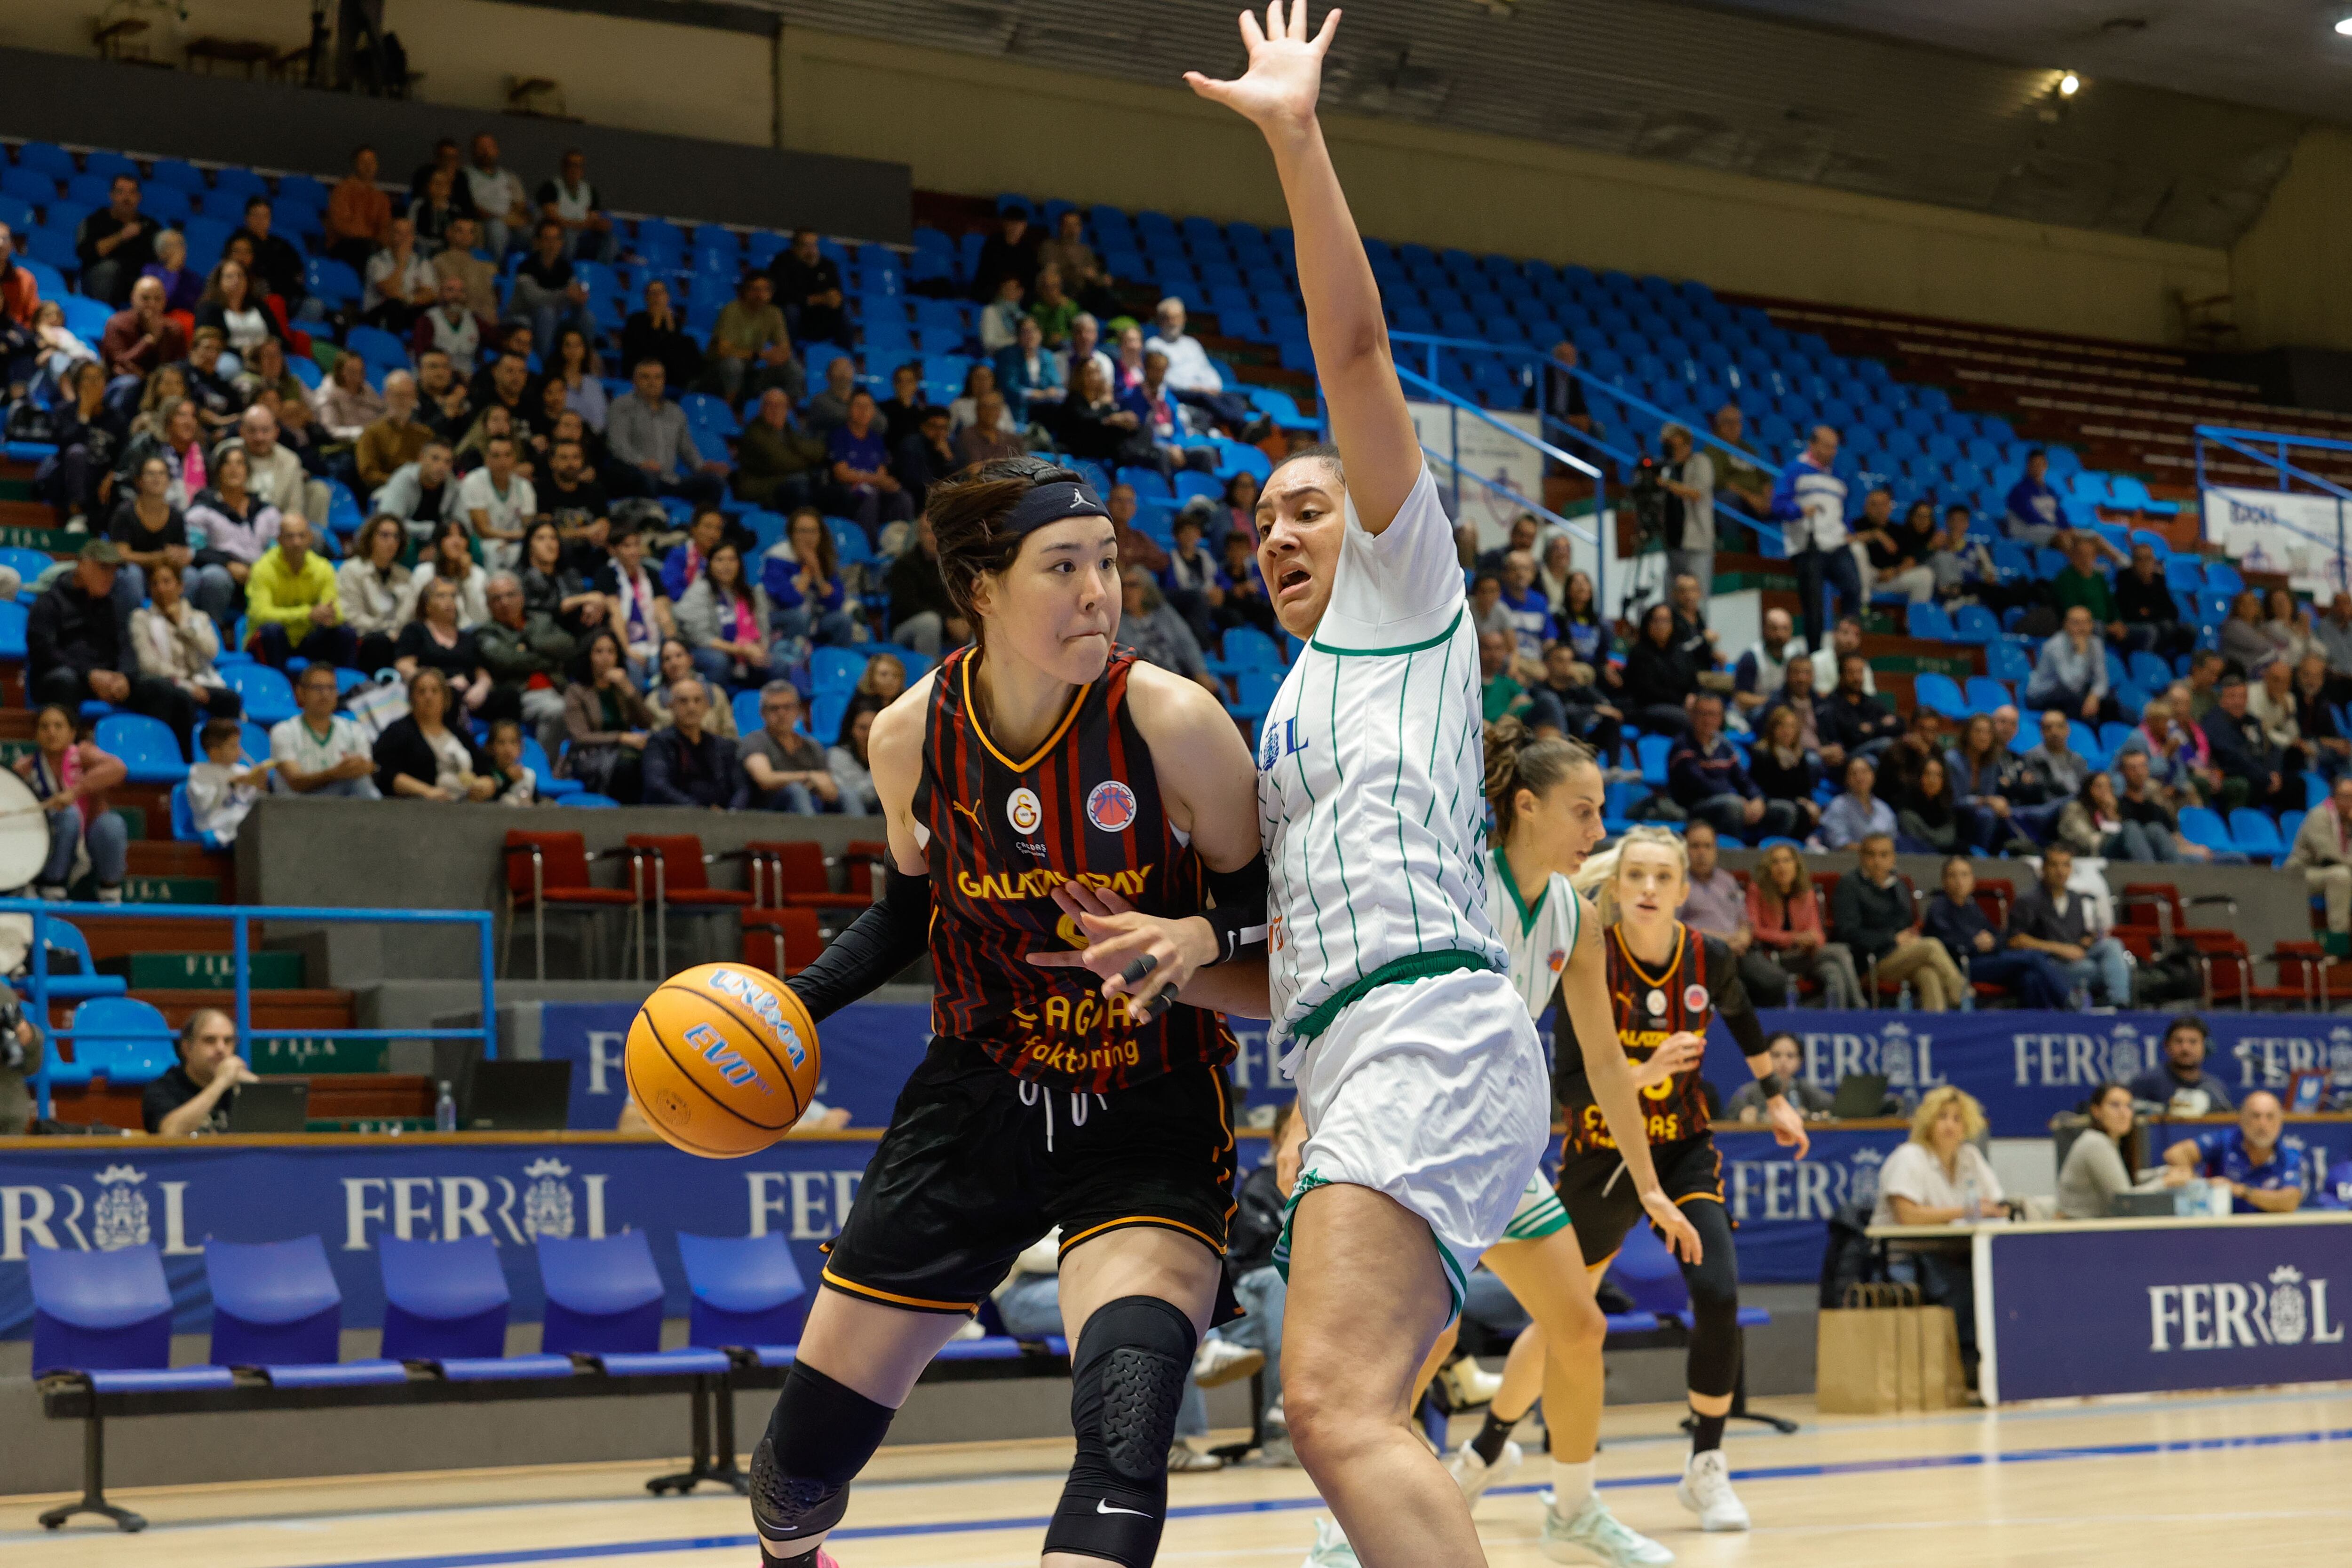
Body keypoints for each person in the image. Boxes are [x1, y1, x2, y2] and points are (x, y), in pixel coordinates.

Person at [1170, 26, 1713, 1568]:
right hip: (1350, 1048)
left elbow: (1353, 355)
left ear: (1371, 517)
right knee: (1352, 1410)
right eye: (1259, 520)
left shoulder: (1405, 597)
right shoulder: (1287, 719)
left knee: (1334, 1406)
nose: (1278, 532)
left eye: (1307, 505)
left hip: (1427, 1031)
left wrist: (1294, 140)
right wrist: (1169, 961)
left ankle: (1578, 1497)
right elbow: (1284, 961)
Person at [29, 541, 209, 760]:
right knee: (64, 681)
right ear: (83, 565)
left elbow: (127, 648)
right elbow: (44, 652)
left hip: (109, 680)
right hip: (68, 678)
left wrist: (124, 677)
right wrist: (89, 675)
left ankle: (165, 761)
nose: (110, 576)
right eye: (103, 568)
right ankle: (71, 763)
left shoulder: (115, 605)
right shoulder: (50, 603)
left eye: (114, 571)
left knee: (165, 691)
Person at [1871, 1086, 2007, 1377]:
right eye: (1943, 1117)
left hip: (1955, 1250)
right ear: (1928, 1123)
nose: (1950, 1125)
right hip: (1904, 1256)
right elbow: (1907, 1217)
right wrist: (1966, 1211)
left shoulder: (1970, 1156)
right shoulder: (1910, 1157)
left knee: (2000, 1275)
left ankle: (1985, 1367)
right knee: (1961, 1285)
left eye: (1958, 1119)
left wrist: (1995, 1209)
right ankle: (1963, 1365)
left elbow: (1997, 1205)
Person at [1831, 832, 1963, 1008]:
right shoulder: (1849, 885)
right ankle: (1963, 996)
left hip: (1900, 956)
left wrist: (1908, 937)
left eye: (1884, 855)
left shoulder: (1898, 886)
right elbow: (1848, 933)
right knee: (1931, 946)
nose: (1877, 861)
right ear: (1861, 857)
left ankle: (1936, 1029)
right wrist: (1892, 939)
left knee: (1928, 973)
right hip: (1868, 962)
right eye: (1871, 855)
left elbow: (1906, 923)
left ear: (1893, 858)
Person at [14, 704, 129, 902]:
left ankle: (110, 892)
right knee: (67, 816)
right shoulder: (25, 768)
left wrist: (75, 792)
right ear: (36, 734)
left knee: (112, 825)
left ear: (72, 733)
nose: (52, 732)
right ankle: (53, 886)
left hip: (90, 841)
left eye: (59, 726)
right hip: (46, 847)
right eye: (45, 727)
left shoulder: (84, 754)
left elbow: (118, 768)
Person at [1920, 855, 2069, 1008]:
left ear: (1973, 880)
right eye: (1953, 876)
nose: (1960, 881)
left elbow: (1999, 937)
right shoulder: (1939, 908)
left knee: (2030, 978)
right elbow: (1946, 942)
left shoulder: (1972, 907)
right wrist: (1975, 943)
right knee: (2033, 957)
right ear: (1944, 881)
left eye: (1965, 875)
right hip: (1962, 967)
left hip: (1988, 960)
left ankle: (2038, 1026)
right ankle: (2069, 1003)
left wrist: (1992, 942)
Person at [2005, 843, 2131, 1006]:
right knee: (2104, 970)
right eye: (2054, 865)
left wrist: (2088, 939)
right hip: (2050, 964)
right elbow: (2015, 941)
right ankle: (2115, 1004)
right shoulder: (2028, 901)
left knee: (2113, 945)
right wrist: (2060, 949)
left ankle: (2120, 1004)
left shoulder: (2075, 899)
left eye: (2066, 865)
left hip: (2076, 955)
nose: (2061, 871)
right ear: (2043, 869)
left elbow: (2078, 935)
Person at [1680, 819, 1789, 1004]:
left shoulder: (1727, 881)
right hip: (1702, 954)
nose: (1702, 853)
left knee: (1775, 980)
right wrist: (1723, 940)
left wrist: (1744, 936)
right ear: (1684, 849)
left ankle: (1769, 1031)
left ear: (1715, 849)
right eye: (1695, 846)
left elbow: (1744, 919)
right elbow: (1675, 927)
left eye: (1708, 846)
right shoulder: (1678, 883)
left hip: (1739, 951)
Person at [1770, 424, 1858, 648]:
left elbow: (1843, 513)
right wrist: (1799, 510)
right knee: (1814, 606)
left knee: (1853, 587)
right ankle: (1815, 653)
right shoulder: (1794, 470)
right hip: (1808, 547)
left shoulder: (1838, 478)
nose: (1831, 452)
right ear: (1813, 445)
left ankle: (1848, 640)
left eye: (1835, 448)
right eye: (1827, 446)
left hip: (1837, 545)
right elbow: (1778, 505)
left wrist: (1849, 532)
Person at [1744, 842, 1861, 1007]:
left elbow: (1818, 934)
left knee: (1834, 972)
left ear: (1796, 865)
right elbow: (1754, 931)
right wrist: (1794, 938)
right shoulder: (1757, 890)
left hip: (1806, 955)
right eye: (1775, 862)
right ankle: (1860, 1008)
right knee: (1841, 952)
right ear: (1768, 868)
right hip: (1774, 958)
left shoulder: (1806, 892)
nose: (1781, 867)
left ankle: (1837, 1021)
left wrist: (1813, 941)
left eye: (1787, 861)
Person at [1669, 692, 1797, 843]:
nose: (1708, 720)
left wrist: (1756, 799)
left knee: (1785, 810)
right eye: (1703, 714)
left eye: (1714, 715)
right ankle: (1733, 855)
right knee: (1733, 806)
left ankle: (1767, 856)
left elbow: (1743, 779)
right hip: (1695, 808)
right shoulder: (1683, 746)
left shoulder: (1724, 745)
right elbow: (1700, 785)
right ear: (1692, 716)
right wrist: (1739, 800)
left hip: (1730, 801)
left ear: (1721, 718)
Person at [127, 558, 241, 728]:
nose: (161, 589)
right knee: (182, 698)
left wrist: (181, 624)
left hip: (200, 680)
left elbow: (212, 651)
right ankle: (186, 754)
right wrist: (186, 684)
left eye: (167, 582)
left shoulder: (198, 617)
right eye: (155, 584)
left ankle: (224, 751)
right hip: (167, 683)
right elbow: (149, 665)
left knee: (231, 699)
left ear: (180, 586)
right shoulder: (141, 618)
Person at [476, 571, 576, 756]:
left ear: (522, 597)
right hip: (522, 695)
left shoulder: (541, 620)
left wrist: (531, 643)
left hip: (559, 687)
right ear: (489, 605)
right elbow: (508, 661)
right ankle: (545, 769)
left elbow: (568, 645)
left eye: (510, 595)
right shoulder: (486, 633)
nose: (505, 602)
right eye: (497, 599)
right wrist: (550, 659)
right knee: (557, 710)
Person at [2164, 1090, 2309, 1213]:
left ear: (2280, 1121)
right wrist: (2195, 1182)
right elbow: (2176, 1153)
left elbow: (2290, 1202)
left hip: (2267, 1231)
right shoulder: (2226, 1140)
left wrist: (2240, 1190)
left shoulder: (2289, 1156)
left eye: (2270, 1117)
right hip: (2221, 1228)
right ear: (2242, 1119)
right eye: (2256, 1116)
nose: (2263, 1124)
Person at [607, 359, 725, 507]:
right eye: (646, 377)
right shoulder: (622, 406)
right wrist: (641, 463)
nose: (653, 382)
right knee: (645, 479)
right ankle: (652, 522)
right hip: (635, 475)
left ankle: (702, 526)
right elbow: (618, 445)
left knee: (714, 483)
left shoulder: (675, 412)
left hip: (669, 479)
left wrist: (702, 467)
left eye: (658, 377)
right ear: (635, 381)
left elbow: (687, 448)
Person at [2057, 1082, 2181, 1219]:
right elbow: (2125, 1201)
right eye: (2115, 1105)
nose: (2124, 1113)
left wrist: (2164, 1172)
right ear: (2096, 1111)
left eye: (2128, 1106)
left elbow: (2124, 1178)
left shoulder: (2104, 1141)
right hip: (2077, 1231)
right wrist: (2166, 1182)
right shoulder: (2095, 1143)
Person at [246, 515, 351, 669]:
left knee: (344, 633)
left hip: (307, 639)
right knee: (272, 631)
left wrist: (329, 616)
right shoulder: (262, 568)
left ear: (310, 538)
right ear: (279, 539)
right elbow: (260, 614)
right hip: (274, 640)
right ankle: (274, 688)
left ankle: (347, 688)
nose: (297, 542)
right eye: (290, 537)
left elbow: (338, 612)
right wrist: (308, 613)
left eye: (302, 536)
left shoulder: (323, 568)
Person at [373, 666, 493, 801]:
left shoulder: (460, 733)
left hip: (467, 806)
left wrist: (485, 786)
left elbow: (486, 773)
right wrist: (426, 791)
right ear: (412, 697)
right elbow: (385, 773)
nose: (428, 696)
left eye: (435, 691)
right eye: (422, 691)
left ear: (445, 697)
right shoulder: (397, 731)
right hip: (419, 808)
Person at [676, 541, 785, 688]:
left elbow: (763, 631)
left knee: (778, 663)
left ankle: (769, 705)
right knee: (718, 661)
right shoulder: (700, 591)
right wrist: (741, 650)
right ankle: (715, 703)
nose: (726, 565)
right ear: (710, 564)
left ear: (739, 563)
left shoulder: (752, 593)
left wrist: (759, 651)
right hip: (710, 650)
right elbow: (701, 638)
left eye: (731, 560)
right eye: (720, 560)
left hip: (746, 652)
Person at [561, 629, 652, 802]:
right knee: (628, 767)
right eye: (599, 652)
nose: (606, 658)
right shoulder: (577, 691)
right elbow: (580, 737)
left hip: (625, 753)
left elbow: (647, 722)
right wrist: (621, 737)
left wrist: (628, 689)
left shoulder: (621, 689)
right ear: (589, 657)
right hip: (589, 756)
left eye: (611, 652)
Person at [270, 661, 381, 799]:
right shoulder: (284, 731)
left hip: (341, 805)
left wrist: (367, 767)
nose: (325, 694)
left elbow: (366, 767)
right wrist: (335, 773)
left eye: (331, 688)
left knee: (362, 781)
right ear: (300, 693)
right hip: (296, 807)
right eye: (318, 688)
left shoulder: (354, 729)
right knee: (360, 783)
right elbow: (295, 781)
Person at [144, 1010, 257, 1136]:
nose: (221, 1048)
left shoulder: (241, 1087)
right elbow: (170, 1133)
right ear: (187, 1048)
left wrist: (256, 1087)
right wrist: (221, 1082)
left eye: (228, 1041)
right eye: (210, 1040)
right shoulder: (162, 1088)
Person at [826, 389, 915, 542]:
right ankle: (869, 547)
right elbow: (841, 473)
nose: (863, 411)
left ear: (873, 411)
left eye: (867, 407)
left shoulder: (876, 439)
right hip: (848, 490)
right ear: (849, 409)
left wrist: (886, 483)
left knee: (903, 497)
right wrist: (874, 480)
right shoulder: (840, 435)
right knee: (870, 495)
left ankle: (903, 546)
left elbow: (882, 472)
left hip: (873, 487)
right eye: (858, 406)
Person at [741, 681, 841, 815]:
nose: (781, 713)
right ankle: (811, 834)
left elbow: (830, 790)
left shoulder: (812, 746)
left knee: (847, 795)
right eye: (774, 708)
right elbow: (765, 779)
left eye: (787, 707)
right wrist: (808, 777)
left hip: (813, 805)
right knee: (796, 790)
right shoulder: (754, 740)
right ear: (763, 713)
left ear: (798, 711)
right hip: (767, 811)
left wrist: (825, 787)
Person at [641, 677, 740, 809]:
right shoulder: (658, 744)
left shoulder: (724, 746)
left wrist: (733, 814)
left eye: (698, 701)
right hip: (676, 819)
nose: (692, 707)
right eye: (683, 701)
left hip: (723, 819)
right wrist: (698, 810)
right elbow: (657, 786)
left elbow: (741, 788)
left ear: (707, 706)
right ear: (671, 706)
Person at [396, 576, 491, 713]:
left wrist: (481, 688)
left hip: (469, 696)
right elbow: (404, 666)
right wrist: (441, 685)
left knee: (509, 697)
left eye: (453, 596)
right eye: (441, 596)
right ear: (427, 605)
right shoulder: (416, 630)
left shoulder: (467, 637)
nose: (449, 601)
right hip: (432, 695)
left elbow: (482, 673)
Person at [705, 273, 800, 405]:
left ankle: (788, 413)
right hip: (718, 368)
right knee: (734, 365)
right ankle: (727, 410)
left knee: (792, 366)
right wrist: (760, 355)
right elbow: (723, 351)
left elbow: (785, 347)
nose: (760, 295)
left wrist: (778, 355)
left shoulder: (774, 313)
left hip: (753, 367)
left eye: (765, 290)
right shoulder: (732, 310)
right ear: (745, 291)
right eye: (755, 289)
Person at [2202, 672, 2287, 813]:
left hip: (2260, 775)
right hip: (2235, 774)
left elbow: (2273, 748)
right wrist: (2266, 777)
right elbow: (2233, 757)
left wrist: (2275, 772)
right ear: (2223, 698)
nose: (2239, 702)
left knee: (2297, 784)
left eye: (2243, 697)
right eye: (2233, 697)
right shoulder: (2214, 722)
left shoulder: (2252, 721)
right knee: (2246, 785)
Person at [735, 388, 829, 512]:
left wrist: (796, 446)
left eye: (780, 405)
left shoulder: (789, 430)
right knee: (801, 485)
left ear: (787, 410)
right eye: (770, 405)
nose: (775, 410)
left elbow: (820, 450)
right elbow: (781, 462)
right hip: (762, 486)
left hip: (789, 482)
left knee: (833, 493)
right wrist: (808, 462)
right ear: (762, 409)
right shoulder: (755, 433)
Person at [186, 717, 274, 841]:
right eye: (234, 746)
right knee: (242, 819)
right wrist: (231, 784)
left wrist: (261, 786)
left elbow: (254, 804)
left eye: (238, 744)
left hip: (241, 817)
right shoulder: (200, 772)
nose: (240, 750)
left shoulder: (242, 770)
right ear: (214, 752)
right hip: (213, 823)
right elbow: (203, 806)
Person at [2128, 1013, 2234, 1116]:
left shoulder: (2216, 1089)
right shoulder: (2146, 1083)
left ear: (2206, 1047)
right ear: (2166, 1046)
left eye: (2193, 1042)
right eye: (2179, 1041)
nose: (2185, 1048)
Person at [77, 174, 155, 307]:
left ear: (139, 198)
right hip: (99, 281)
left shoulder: (149, 225)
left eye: (132, 193)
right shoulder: (96, 221)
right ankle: (103, 318)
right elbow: (86, 253)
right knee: (109, 269)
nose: (126, 198)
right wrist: (121, 236)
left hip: (136, 283)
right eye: (121, 192)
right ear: (111, 195)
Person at [1622, 600, 1697, 738]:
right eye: (1657, 621)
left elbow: (1693, 681)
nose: (1661, 626)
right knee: (1684, 720)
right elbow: (1647, 691)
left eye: (1666, 621)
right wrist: (1681, 701)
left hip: (1680, 705)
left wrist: (1692, 696)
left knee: (1710, 714)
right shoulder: (1639, 653)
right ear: (1648, 624)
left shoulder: (1680, 652)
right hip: (1648, 708)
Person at [2027, 605, 2112, 723]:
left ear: (2091, 625)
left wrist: (2095, 696)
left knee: (2110, 702)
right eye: (2076, 623)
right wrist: (2080, 655)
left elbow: (2102, 679)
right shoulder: (2055, 646)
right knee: (2076, 701)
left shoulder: (2095, 644)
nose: (2082, 628)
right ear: (2066, 625)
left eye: (2086, 623)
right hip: (2042, 695)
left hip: (2070, 692)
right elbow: (2072, 685)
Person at [620, 279, 701, 392]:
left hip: (670, 370)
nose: (657, 297)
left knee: (689, 342)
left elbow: (675, 350)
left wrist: (671, 327)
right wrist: (656, 324)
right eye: (652, 293)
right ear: (646, 298)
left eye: (661, 293)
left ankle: (695, 383)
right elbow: (644, 351)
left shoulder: (674, 321)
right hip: (643, 366)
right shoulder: (636, 320)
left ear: (668, 297)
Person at [1820, 651, 1900, 766]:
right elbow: (1852, 737)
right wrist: (1880, 726)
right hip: (1846, 758)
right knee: (1885, 745)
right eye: (1851, 672)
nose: (1857, 678)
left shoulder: (1871, 702)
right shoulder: (1832, 705)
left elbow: (1898, 725)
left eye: (1860, 672)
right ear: (1841, 675)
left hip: (1871, 755)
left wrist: (1870, 728)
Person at [767, 229, 845, 346]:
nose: (811, 250)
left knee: (845, 312)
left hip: (819, 317)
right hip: (793, 318)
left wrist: (834, 299)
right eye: (806, 246)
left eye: (814, 245)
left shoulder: (827, 265)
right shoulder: (782, 263)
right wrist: (812, 300)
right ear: (795, 247)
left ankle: (846, 355)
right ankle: (786, 351)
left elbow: (836, 293)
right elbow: (781, 296)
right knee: (791, 311)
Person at [1726, 1032, 1833, 1118]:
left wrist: (1809, 1116)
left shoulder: (1803, 1088)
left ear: (1800, 1061)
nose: (1783, 1061)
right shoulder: (1747, 1093)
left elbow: (1836, 1106)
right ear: (1764, 1059)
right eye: (1776, 1055)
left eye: (1790, 1056)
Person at [362, 216, 438, 332]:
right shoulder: (377, 260)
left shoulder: (421, 262)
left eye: (408, 234)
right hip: (378, 313)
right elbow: (389, 292)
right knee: (394, 305)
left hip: (408, 310)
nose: (404, 239)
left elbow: (430, 294)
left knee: (432, 309)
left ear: (413, 237)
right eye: (399, 233)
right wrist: (402, 264)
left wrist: (408, 298)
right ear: (390, 235)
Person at [463, 133, 532, 259]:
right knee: (497, 228)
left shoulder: (509, 177)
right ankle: (496, 272)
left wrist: (512, 220)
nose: (485, 151)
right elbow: (472, 208)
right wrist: (503, 220)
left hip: (513, 227)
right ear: (473, 151)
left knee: (539, 232)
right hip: (483, 226)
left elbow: (520, 205)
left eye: (489, 147)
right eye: (481, 147)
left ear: (496, 151)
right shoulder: (465, 176)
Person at [1732, 607, 1804, 726]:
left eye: (1785, 629)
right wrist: (1772, 702)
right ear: (1764, 630)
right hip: (1755, 714)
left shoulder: (1795, 655)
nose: (1779, 634)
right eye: (1774, 629)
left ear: (1791, 631)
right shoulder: (1751, 657)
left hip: (1787, 710)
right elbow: (1741, 698)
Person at [325, 147, 392, 274]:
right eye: (364, 162)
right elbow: (340, 225)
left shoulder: (381, 198)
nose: (368, 167)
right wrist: (368, 238)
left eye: (372, 163)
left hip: (372, 246)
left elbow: (385, 228)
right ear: (355, 165)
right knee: (367, 249)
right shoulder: (342, 191)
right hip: (345, 246)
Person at [536, 149, 612, 260]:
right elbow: (552, 217)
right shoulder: (551, 188)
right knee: (569, 235)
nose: (575, 170)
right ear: (564, 167)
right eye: (571, 165)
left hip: (584, 236)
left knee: (610, 238)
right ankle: (566, 270)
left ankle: (601, 272)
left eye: (579, 166)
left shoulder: (590, 190)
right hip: (562, 234)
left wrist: (599, 225)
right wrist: (578, 225)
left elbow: (593, 218)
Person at [1817, 753, 1897, 850]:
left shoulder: (1884, 809)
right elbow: (1839, 843)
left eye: (1864, 772)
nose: (1860, 778)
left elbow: (1893, 842)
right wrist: (1872, 851)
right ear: (1847, 779)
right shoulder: (1838, 805)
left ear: (1873, 776)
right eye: (1854, 773)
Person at [311, 351, 385, 444]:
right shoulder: (328, 394)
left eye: (361, 371)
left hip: (376, 437)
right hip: (349, 444)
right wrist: (363, 432)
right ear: (340, 372)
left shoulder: (366, 387)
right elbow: (330, 430)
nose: (359, 376)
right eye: (352, 372)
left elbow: (382, 409)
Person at [828, 705, 880, 816]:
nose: (868, 734)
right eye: (863, 728)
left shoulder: (891, 757)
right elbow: (843, 789)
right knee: (849, 795)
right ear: (852, 729)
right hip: (844, 807)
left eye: (874, 727)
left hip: (879, 805)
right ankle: (860, 833)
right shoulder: (838, 754)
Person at [2003, 449, 2062, 547]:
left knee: (2091, 538)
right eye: (2034, 464)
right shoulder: (2019, 491)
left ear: (2046, 466)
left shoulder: (2050, 491)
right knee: (2063, 538)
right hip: (2028, 530)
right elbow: (2030, 516)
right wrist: (2057, 528)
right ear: (2028, 466)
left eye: (2040, 464)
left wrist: (2067, 528)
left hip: (2050, 529)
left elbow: (2059, 513)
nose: (2037, 468)